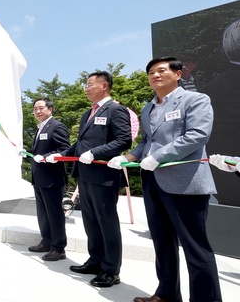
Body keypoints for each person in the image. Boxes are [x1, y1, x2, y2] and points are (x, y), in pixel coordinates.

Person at [108, 57, 222, 302]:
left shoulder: (196, 100)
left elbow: (197, 135)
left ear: (178, 74)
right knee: (162, 243)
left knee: (196, 249)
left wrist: (158, 156)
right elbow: (146, 142)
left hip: (186, 183)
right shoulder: (149, 107)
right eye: (151, 72)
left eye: (161, 71)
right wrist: (126, 157)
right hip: (153, 182)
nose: (155, 76)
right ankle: (167, 294)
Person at [46, 71, 131, 288]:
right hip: (84, 175)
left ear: (104, 85)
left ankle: (111, 270)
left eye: (90, 84)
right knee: (91, 222)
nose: (86, 88)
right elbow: (79, 145)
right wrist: (61, 155)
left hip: (104, 177)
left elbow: (124, 140)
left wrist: (96, 153)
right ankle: (95, 261)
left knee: (107, 223)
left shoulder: (116, 110)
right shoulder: (87, 114)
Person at [27, 98, 70, 261]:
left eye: (41, 108)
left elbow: (64, 149)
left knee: (54, 213)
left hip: (52, 178)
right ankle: (46, 241)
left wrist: (45, 157)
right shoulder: (40, 128)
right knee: (43, 213)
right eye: (35, 109)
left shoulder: (56, 126)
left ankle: (59, 248)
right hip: (38, 178)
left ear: (50, 109)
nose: (37, 111)